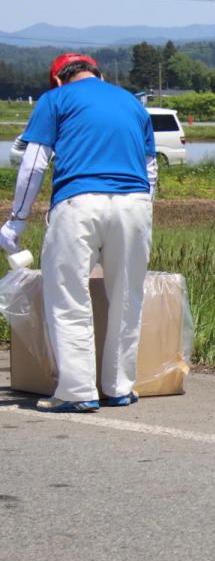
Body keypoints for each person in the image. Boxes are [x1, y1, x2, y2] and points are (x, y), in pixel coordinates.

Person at [0, 53, 156, 412]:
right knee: (127, 295)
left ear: (57, 79)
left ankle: (76, 391)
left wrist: (16, 222)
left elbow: (34, 162)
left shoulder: (55, 99)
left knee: (68, 295)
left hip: (78, 202)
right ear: (97, 75)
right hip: (134, 204)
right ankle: (118, 387)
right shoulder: (131, 102)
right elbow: (151, 170)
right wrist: (144, 212)